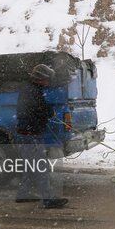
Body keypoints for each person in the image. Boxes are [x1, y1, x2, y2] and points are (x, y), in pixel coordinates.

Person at [15, 64, 68, 209]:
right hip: (30, 134)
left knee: (30, 166)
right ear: (41, 78)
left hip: (25, 133)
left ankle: (23, 194)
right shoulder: (32, 91)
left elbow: (33, 109)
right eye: (48, 78)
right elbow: (35, 109)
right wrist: (47, 112)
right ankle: (48, 198)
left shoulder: (30, 89)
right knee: (41, 166)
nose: (49, 81)